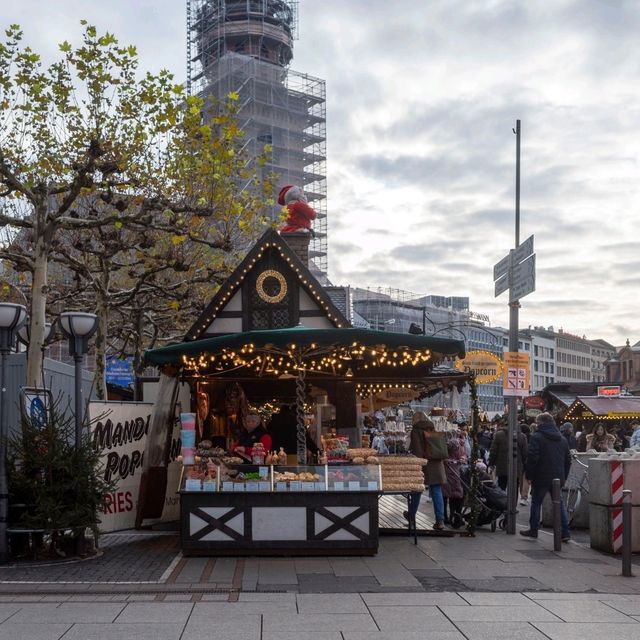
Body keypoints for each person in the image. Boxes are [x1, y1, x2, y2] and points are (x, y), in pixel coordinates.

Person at [520, 412, 571, 542]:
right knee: (559, 504)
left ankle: (533, 530)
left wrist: (529, 475)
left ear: (541, 423)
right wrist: (563, 476)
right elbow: (568, 460)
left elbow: (533, 458)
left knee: (536, 503)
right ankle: (565, 532)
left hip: (541, 476)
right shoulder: (562, 439)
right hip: (557, 478)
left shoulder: (537, 437)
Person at [409, 411, 447, 530]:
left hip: (424, 464)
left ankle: (411, 515)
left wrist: (417, 465)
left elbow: (417, 450)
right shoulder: (432, 428)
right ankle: (440, 521)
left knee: (417, 489)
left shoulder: (416, 431)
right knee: (436, 491)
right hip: (437, 464)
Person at [488, 420, 528, 493]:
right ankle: (513, 504)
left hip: (502, 466)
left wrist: (491, 463)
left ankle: (501, 502)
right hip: (516, 466)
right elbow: (525, 453)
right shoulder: (522, 436)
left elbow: (493, 451)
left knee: (501, 487)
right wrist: (524, 466)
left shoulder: (498, 435)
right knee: (514, 488)